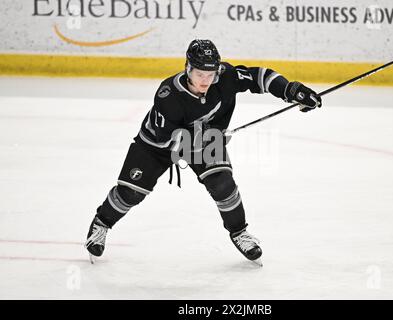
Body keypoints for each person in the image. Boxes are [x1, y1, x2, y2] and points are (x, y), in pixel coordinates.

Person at [85, 39, 322, 265]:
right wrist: (209, 137)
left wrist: (290, 90)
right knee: (131, 194)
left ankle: (240, 232)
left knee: (223, 185)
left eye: (211, 74)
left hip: (206, 140)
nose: (206, 81)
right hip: (156, 145)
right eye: (200, 74)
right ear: (187, 68)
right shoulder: (168, 94)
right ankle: (102, 223)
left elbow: (260, 76)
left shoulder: (225, 76)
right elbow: (169, 140)